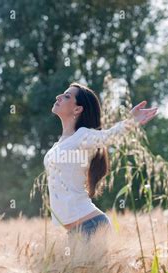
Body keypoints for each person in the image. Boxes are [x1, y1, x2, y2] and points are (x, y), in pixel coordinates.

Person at [43, 82, 158, 241]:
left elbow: (108, 136)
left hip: (91, 226)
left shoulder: (82, 136)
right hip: (74, 231)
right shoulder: (58, 145)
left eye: (67, 96)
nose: (58, 97)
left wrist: (131, 121)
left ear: (77, 109)